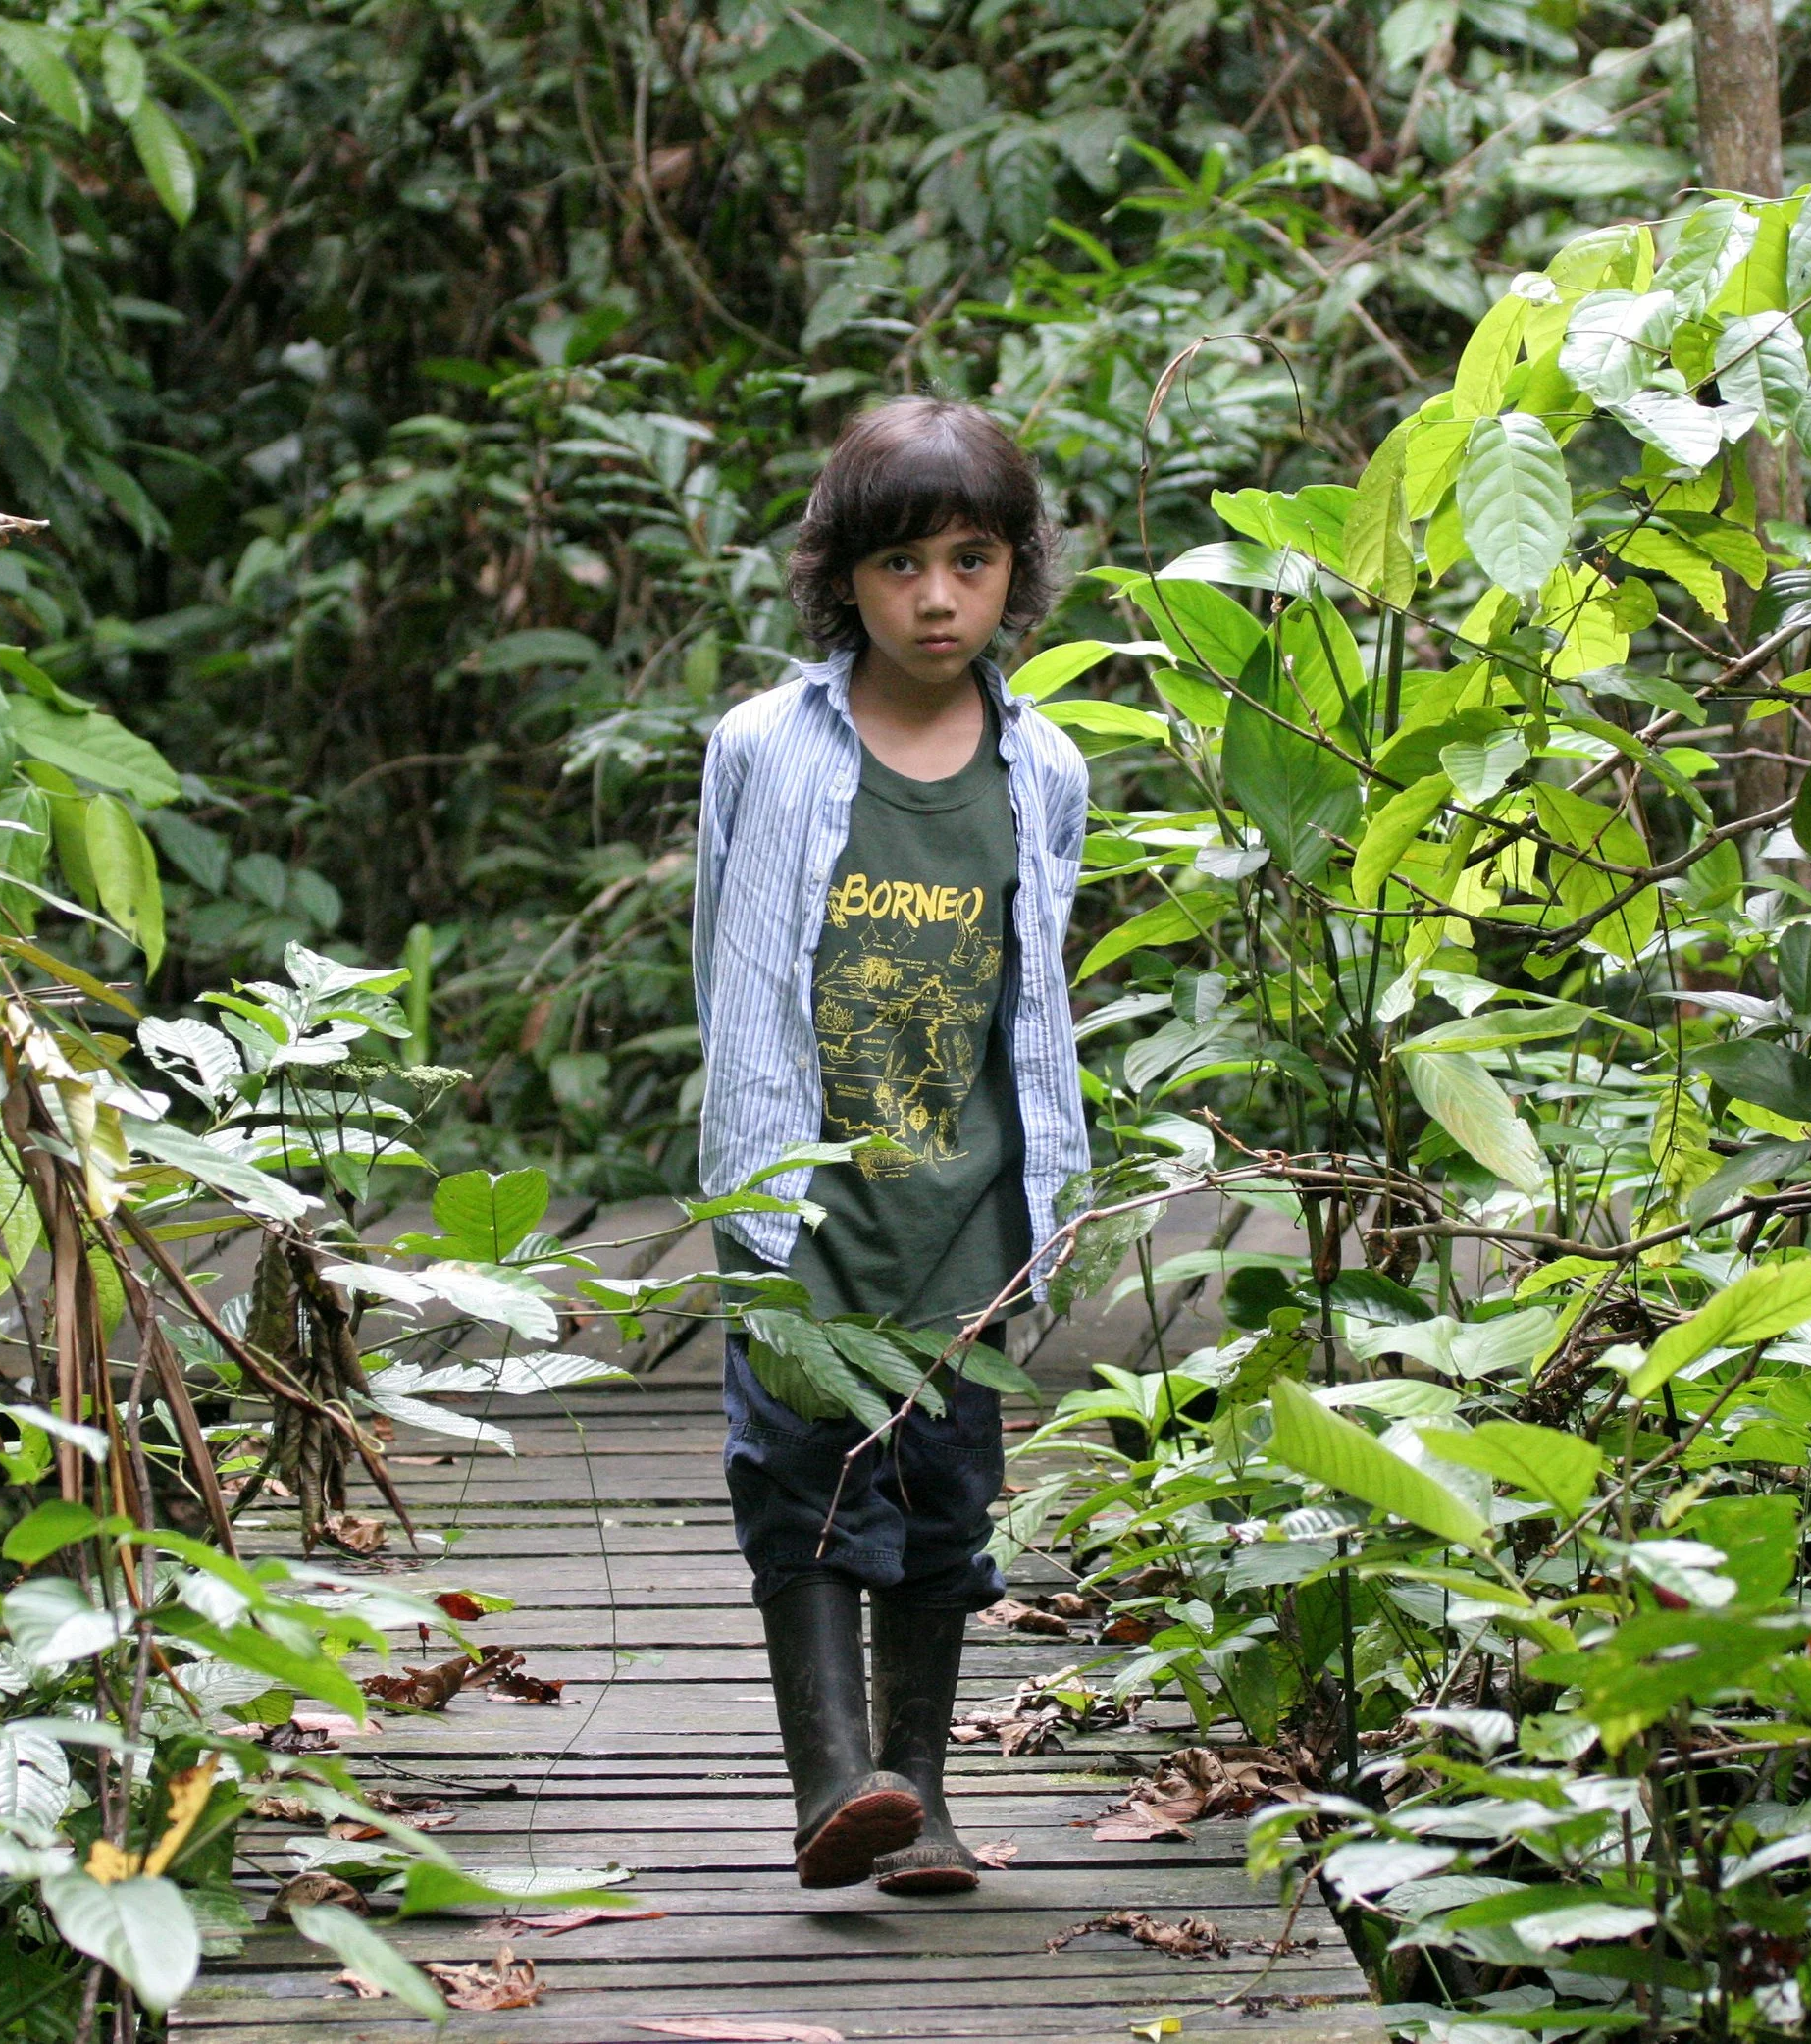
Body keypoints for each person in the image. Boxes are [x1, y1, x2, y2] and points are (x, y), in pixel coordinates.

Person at [691, 397, 1089, 1894]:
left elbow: (1034, 992)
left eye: (971, 560)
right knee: (796, 1479)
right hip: (809, 1210)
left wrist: (1048, 1192)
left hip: (963, 1212)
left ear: (1015, 573)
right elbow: (726, 968)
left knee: (943, 1495)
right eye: (903, 563)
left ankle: (917, 1798)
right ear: (842, 578)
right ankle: (829, 1786)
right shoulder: (765, 748)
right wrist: (742, 1196)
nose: (937, 596)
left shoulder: (1040, 768)